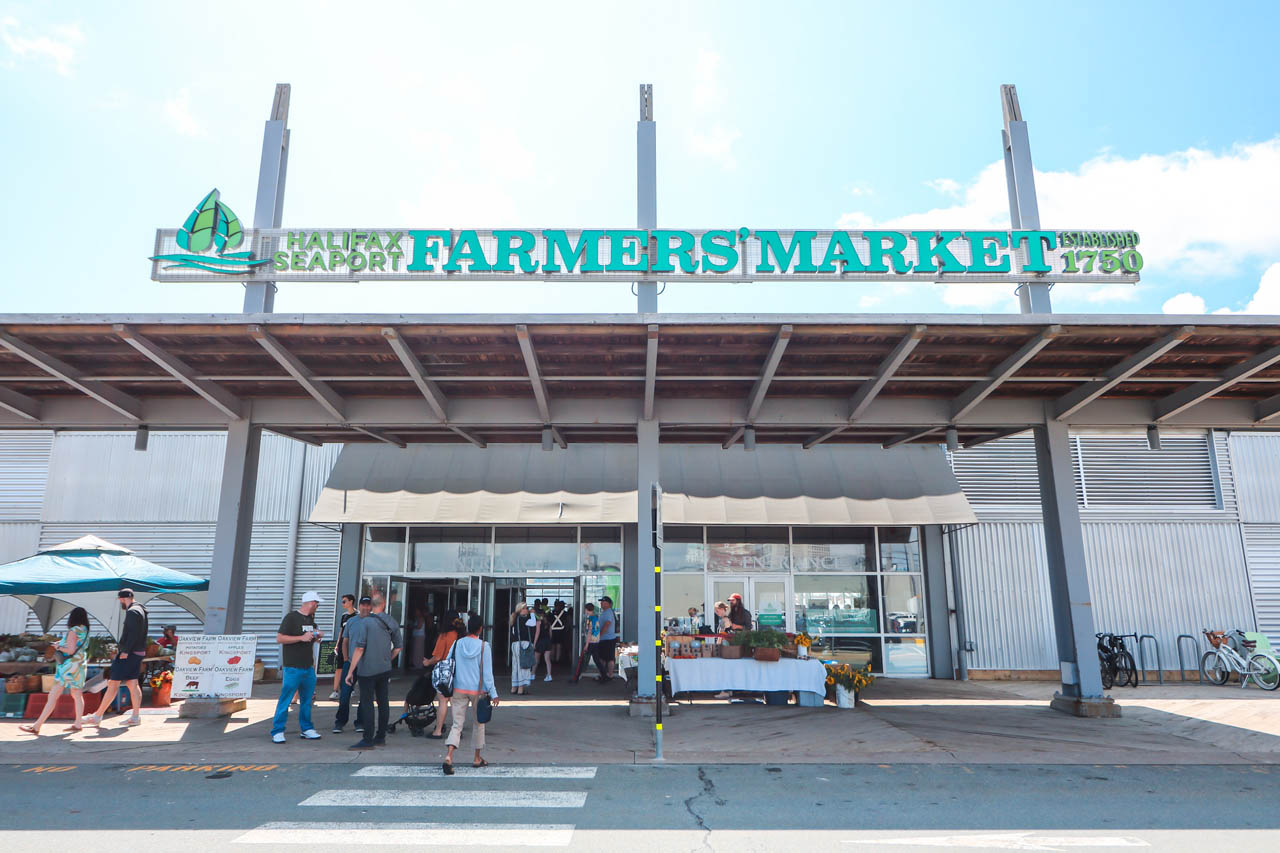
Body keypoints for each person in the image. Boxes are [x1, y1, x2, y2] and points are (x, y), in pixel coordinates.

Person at [19, 607, 91, 735]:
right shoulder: (84, 630)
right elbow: (76, 646)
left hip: (68, 667)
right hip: (79, 665)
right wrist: (62, 643)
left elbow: (70, 651)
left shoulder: (72, 631)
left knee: (53, 696)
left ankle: (36, 726)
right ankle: (78, 723)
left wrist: (58, 647)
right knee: (77, 694)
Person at [442, 614, 499, 775]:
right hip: (478, 691)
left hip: (459, 689)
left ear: (468, 628)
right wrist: (494, 693)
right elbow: (487, 673)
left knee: (457, 724)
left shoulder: (457, 643)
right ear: (481, 629)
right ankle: (476, 758)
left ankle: (449, 756)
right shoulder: (483, 647)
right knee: (478, 724)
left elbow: (448, 661)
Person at [84, 589, 148, 728]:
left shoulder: (132, 611)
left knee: (113, 683)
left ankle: (97, 716)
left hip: (129, 653)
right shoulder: (141, 609)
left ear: (123, 598)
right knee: (132, 683)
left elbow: (132, 634)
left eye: (120, 600)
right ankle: (135, 716)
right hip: (138, 652)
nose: (120, 603)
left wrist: (125, 651)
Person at [346, 594, 403, 750]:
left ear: (371, 606)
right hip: (384, 669)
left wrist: (351, 671)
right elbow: (398, 647)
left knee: (367, 703)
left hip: (366, 670)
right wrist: (387, 658)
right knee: (383, 702)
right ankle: (380, 736)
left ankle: (367, 739)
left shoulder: (366, 623)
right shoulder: (391, 621)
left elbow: (359, 648)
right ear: (384, 605)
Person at [270, 590, 325, 744]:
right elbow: (280, 638)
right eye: (317, 603)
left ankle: (306, 728)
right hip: (293, 666)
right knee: (286, 699)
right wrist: (301, 637)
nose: (317, 606)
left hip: (308, 666)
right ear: (311, 602)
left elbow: (308, 639)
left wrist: (316, 637)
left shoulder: (310, 620)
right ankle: (278, 730)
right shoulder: (291, 618)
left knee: (307, 700)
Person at [423, 610, 462, 739]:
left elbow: (438, 656)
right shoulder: (462, 635)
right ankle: (457, 731)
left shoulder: (444, 636)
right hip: (459, 671)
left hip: (445, 671)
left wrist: (428, 662)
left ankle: (438, 730)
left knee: (443, 701)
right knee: (455, 703)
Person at [331, 594, 360, 732]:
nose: (342, 603)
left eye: (344, 601)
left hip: (358, 656)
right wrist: (338, 645)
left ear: (352, 602)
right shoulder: (344, 617)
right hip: (346, 654)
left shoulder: (359, 617)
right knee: (343, 681)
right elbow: (342, 634)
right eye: (341, 601)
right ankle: (340, 721)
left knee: (365, 693)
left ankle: (360, 722)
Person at [509, 602, 536, 695]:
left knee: (515, 666)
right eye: (525, 608)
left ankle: (514, 687)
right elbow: (533, 623)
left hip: (515, 644)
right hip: (524, 643)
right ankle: (521, 688)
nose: (527, 610)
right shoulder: (524, 619)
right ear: (520, 610)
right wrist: (532, 614)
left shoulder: (514, 619)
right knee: (524, 665)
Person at [570, 602, 599, 683]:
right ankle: (604, 675)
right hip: (596, 641)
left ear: (587, 609)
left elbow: (589, 631)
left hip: (590, 642)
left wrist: (586, 644)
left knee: (583, 660)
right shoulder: (596, 618)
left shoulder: (590, 619)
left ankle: (576, 677)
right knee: (597, 660)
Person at [593, 596, 617, 683]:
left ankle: (609, 675)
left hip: (608, 639)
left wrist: (599, 635)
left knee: (609, 658)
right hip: (605, 639)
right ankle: (603, 674)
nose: (601, 603)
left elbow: (607, 624)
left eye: (603, 602)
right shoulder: (605, 612)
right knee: (602, 658)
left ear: (609, 604)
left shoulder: (608, 613)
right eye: (601, 602)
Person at [533, 605, 554, 682]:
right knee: (547, 659)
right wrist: (549, 641)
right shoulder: (548, 623)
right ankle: (549, 675)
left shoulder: (538, 622)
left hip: (540, 641)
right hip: (547, 641)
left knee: (536, 659)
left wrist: (534, 643)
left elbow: (537, 633)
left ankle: (533, 674)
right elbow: (550, 634)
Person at [548, 600, 569, 665]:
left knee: (552, 646)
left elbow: (549, 622)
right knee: (559, 646)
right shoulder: (565, 613)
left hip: (553, 631)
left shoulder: (551, 613)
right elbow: (566, 623)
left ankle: (552, 659)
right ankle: (557, 660)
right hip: (561, 631)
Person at [409, 605, 429, 672]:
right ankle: (417, 665)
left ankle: (417, 665)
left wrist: (412, 626)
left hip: (419, 636)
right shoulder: (418, 618)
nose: (416, 612)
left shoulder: (420, 618)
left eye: (417, 611)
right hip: (418, 636)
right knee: (417, 650)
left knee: (418, 651)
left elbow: (419, 626)